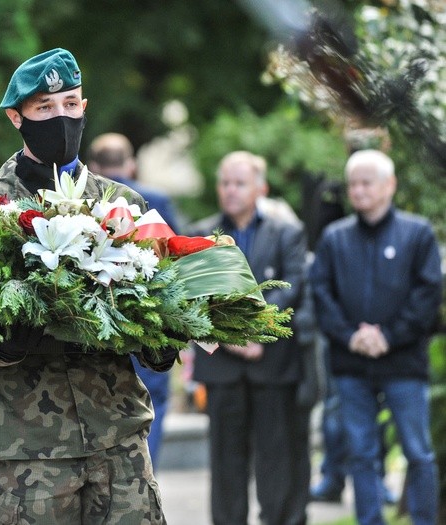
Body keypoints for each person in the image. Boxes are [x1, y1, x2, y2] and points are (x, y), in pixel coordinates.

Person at [0, 48, 175, 524]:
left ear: (84, 108)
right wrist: (4, 345)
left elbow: (162, 299)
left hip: (119, 438)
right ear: (16, 118)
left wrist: (160, 343)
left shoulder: (122, 202)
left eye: (70, 104)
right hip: (32, 447)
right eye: (44, 108)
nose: (60, 117)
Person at [309, 149, 441, 525]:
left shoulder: (417, 234)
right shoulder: (334, 238)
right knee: (360, 454)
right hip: (350, 365)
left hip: (404, 364)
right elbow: (321, 293)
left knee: (418, 453)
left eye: (367, 182)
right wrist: (352, 336)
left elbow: (427, 294)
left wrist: (388, 336)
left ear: (389, 185)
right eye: (353, 183)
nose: (359, 190)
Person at [188, 151, 308, 525]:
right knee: (225, 462)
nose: (230, 190)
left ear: (261, 188)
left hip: (271, 366)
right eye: (225, 182)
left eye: (240, 183)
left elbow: (292, 286)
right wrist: (229, 338)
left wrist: (257, 334)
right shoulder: (199, 234)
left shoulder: (287, 233)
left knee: (276, 458)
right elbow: (191, 294)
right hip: (222, 367)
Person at [87, 132, 181, 470]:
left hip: (96, 324)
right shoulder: (155, 198)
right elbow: (175, 256)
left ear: (94, 166)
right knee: (152, 402)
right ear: (132, 164)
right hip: (145, 322)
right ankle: (145, 471)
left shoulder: (86, 203)